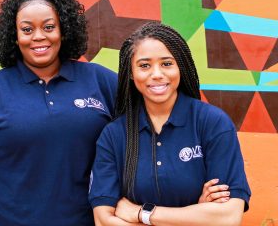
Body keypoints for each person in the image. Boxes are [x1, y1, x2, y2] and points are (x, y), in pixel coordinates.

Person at [0, 0, 118, 226]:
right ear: (14, 37)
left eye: (49, 27)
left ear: (64, 30)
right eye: (27, 30)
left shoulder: (102, 81)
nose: (39, 37)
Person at [89, 22, 251, 226]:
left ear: (180, 67)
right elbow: (103, 220)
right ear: (131, 73)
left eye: (166, 63)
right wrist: (196, 216)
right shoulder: (114, 135)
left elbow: (228, 218)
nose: (156, 74)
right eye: (144, 65)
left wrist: (142, 213)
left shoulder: (212, 123)